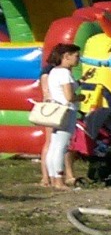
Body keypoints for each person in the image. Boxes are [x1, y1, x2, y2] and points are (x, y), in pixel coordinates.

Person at [38, 44, 80, 190]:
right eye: (76, 56)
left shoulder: (54, 72)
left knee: (54, 146)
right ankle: (59, 180)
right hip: (66, 111)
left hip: (56, 111)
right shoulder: (65, 73)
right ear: (66, 56)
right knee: (61, 147)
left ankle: (52, 177)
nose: (78, 59)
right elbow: (69, 96)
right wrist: (80, 97)